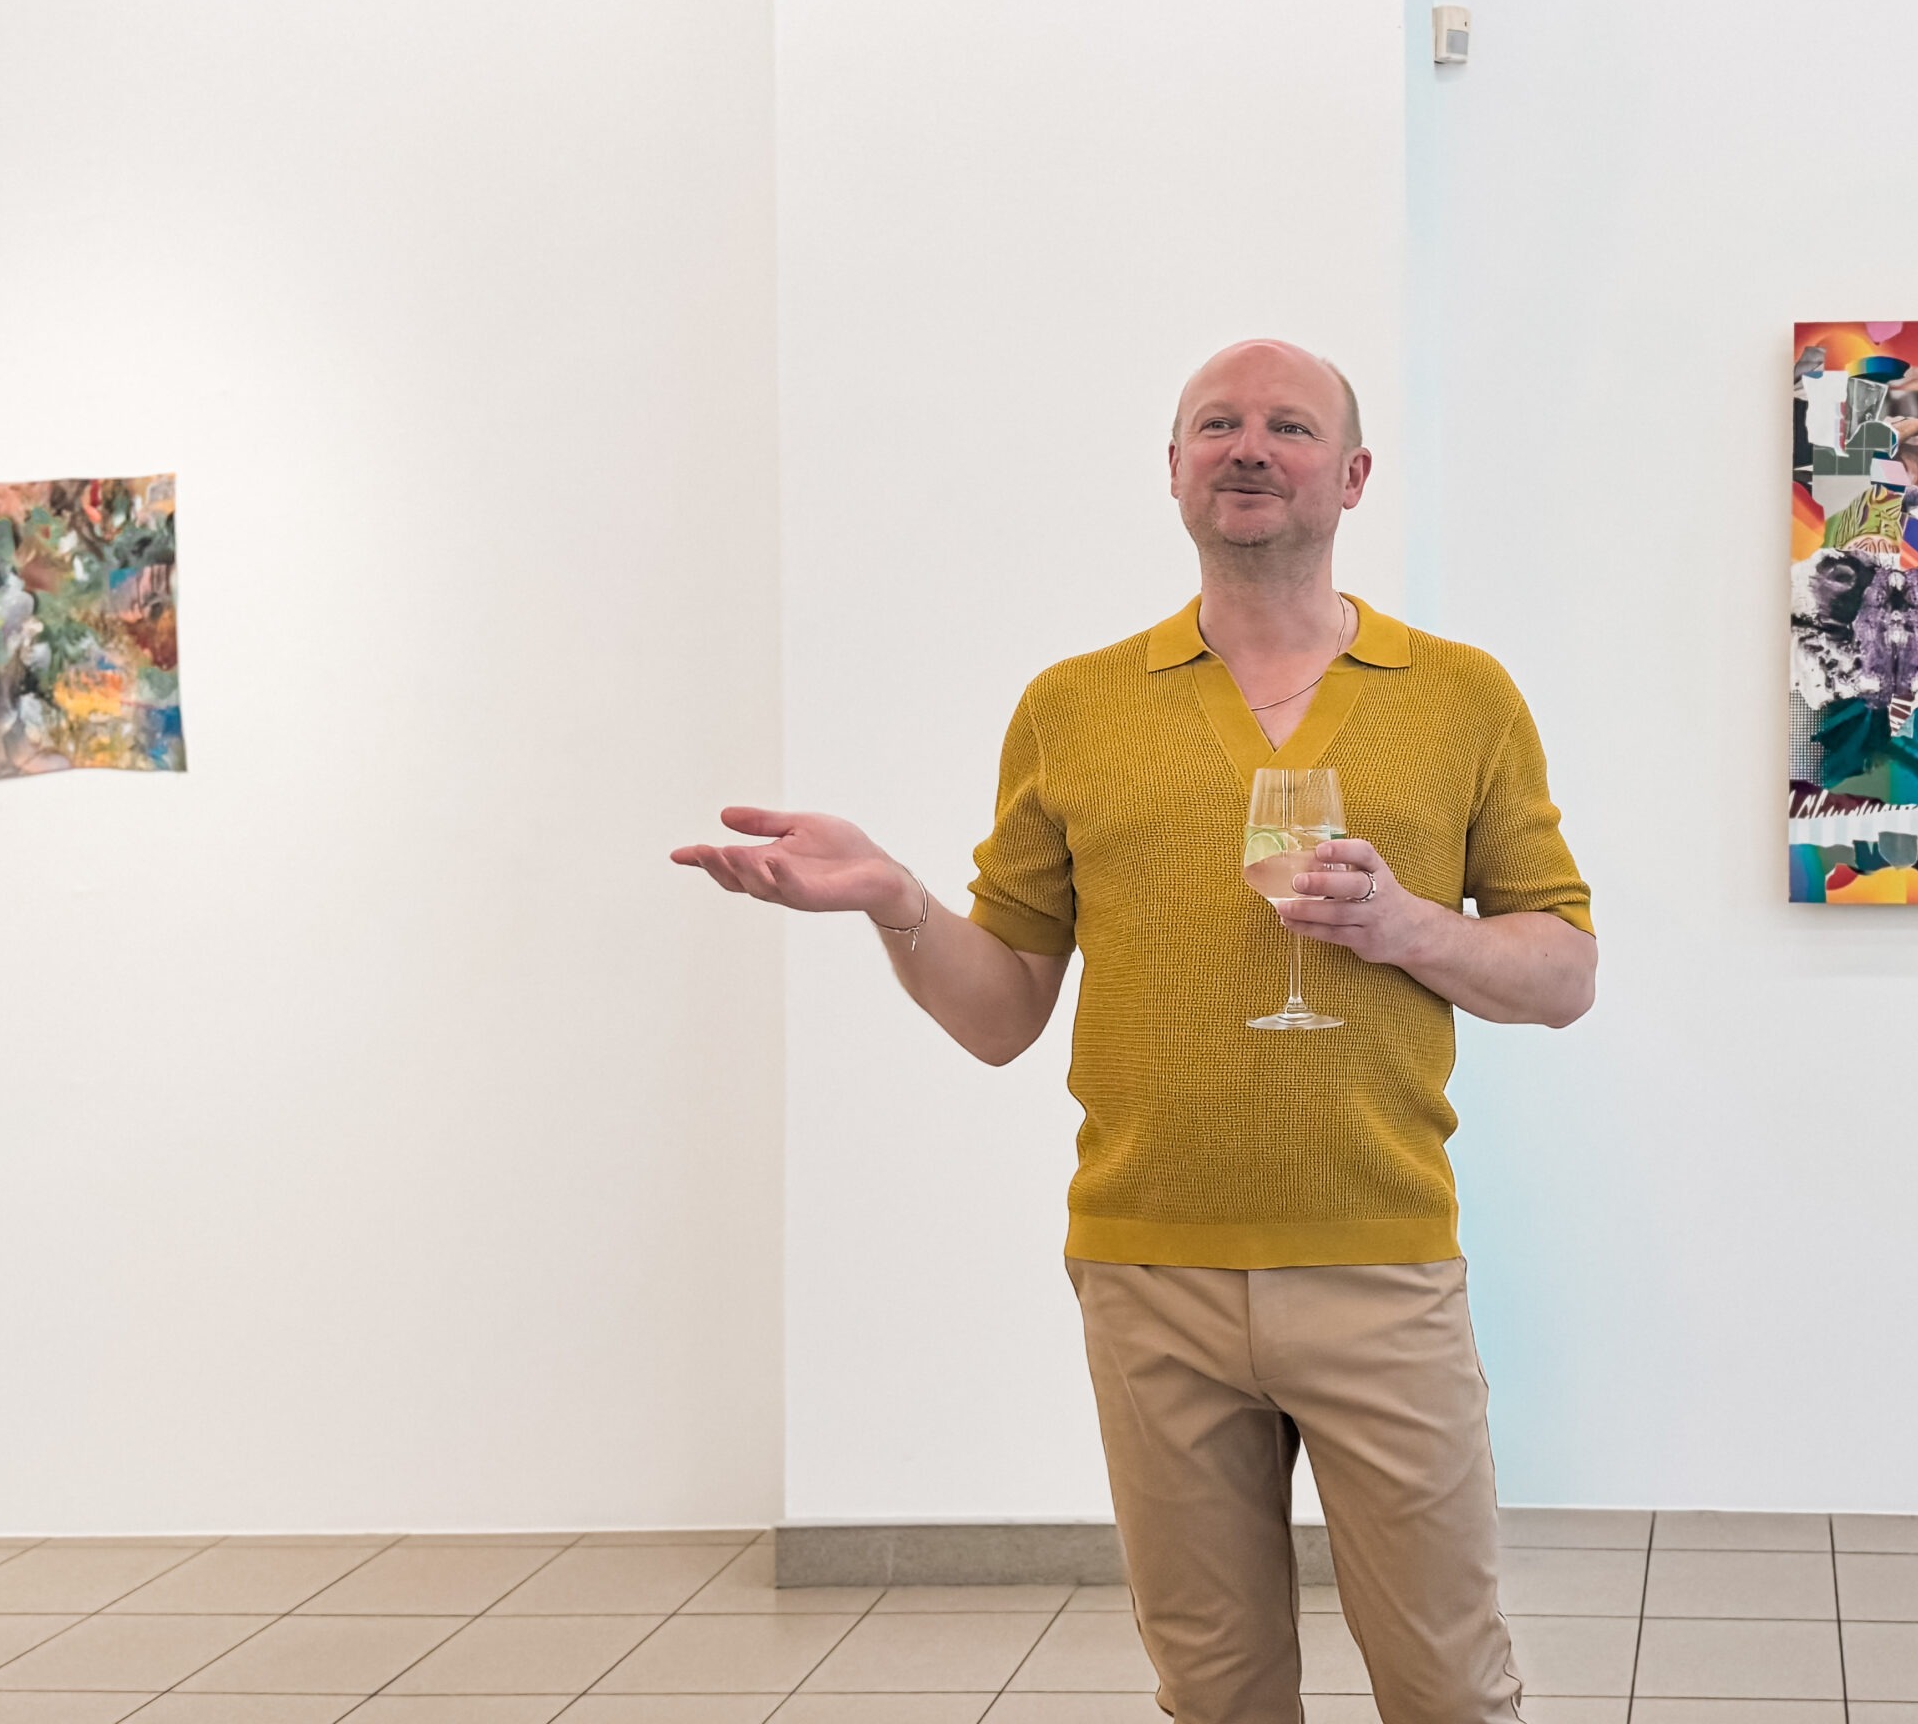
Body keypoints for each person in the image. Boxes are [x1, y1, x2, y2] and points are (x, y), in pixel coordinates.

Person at [674, 338, 1595, 1724]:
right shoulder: (1074, 706)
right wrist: (895, 898)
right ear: (1172, 469)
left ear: (1352, 475)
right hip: (1148, 1270)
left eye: (1289, 426)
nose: (1249, 445)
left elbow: (1563, 971)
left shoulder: (1463, 696)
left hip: (1378, 1259)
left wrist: (1409, 927)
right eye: (1216, 423)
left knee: (1450, 1691)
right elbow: (1002, 1015)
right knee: (1215, 1693)